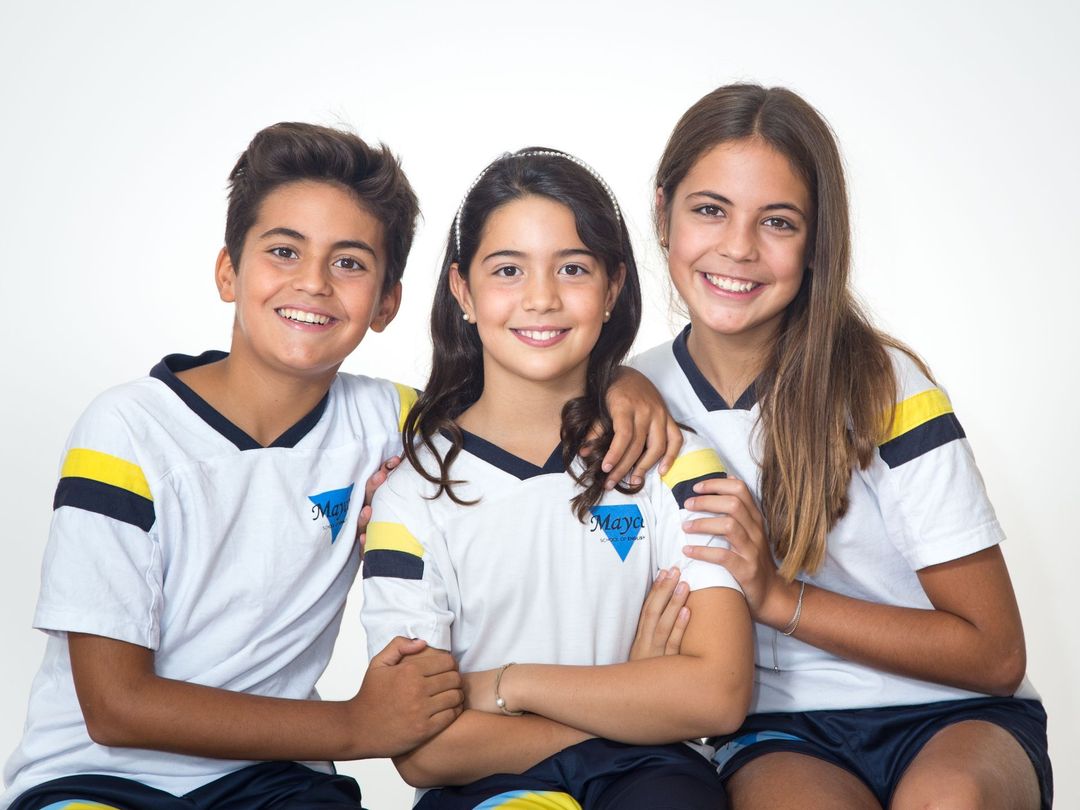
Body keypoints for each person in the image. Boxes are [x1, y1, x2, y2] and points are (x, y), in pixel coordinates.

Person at [3, 123, 683, 810]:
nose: (313, 283)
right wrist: (358, 725)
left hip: (276, 782)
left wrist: (623, 384)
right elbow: (115, 706)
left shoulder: (393, 421)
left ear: (387, 302)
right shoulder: (127, 431)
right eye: (284, 251)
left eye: (350, 263)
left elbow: (524, 398)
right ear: (228, 271)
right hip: (97, 776)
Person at [631, 84, 1053, 809]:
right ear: (663, 212)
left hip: (953, 711)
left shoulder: (886, 388)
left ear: (817, 241)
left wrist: (776, 596)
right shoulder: (633, 398)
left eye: (778, 221)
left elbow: (995, 652)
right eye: (710, 210)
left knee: (948, 801)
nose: (738, 247)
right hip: (777, 728)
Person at [361, 148, 754, 810]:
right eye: (508, 269)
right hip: (485, 785)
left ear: (613, 287)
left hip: (654, 776)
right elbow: (425, 749)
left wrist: (508, 685)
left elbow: (717, 695)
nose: (541, 298)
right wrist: (632, 695)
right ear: (463, 291)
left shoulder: (672, 459)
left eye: (572, 268)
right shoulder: (412, 494)